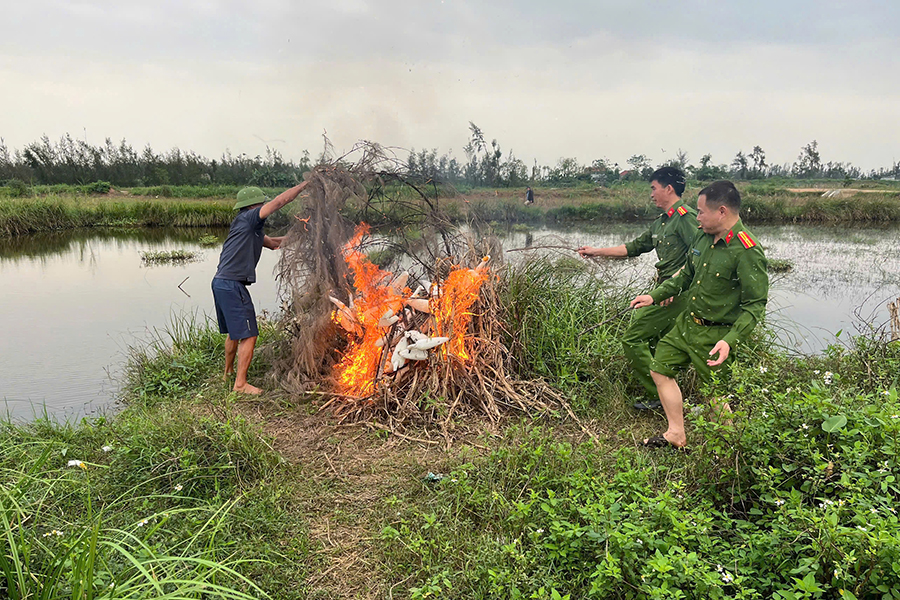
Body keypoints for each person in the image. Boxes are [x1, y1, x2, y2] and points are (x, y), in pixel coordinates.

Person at [630, 180, 768, 449]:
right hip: (686, 326)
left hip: (715, 334)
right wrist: (654, 295)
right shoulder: (703, 238)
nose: (698, 218)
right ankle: (676, 433)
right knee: (660, 369)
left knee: (715, 395)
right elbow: (687, 276)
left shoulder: (747, 250)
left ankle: (728, 450)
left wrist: (730, 340)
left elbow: (755, 304)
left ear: (722, 212)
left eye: (702, 212)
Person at [576, 167, 697, 410]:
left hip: (677, 293)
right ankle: (667, 394)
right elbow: (633, 247)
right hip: (664, 291)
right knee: (656, 341)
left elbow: (700, 251)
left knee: (632, 339)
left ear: (668, 189)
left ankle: (664, 399)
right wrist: (596, 251)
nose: (651, 194)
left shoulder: (685, 218)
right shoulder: (662, 222)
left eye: (653, 188)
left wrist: (673, 284)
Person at [212, 183, 308, 394]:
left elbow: (274, 243)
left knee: (234, 333)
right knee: (250, 334)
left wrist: (303, 235)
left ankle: (227, 375)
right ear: (254, 205)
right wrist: (304, 185)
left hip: (221, 282)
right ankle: (240, 385)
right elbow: (280, 201)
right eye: (261, 203)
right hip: (231, 284)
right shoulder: (249, 218)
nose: (265, 205)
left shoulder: (247, 227)